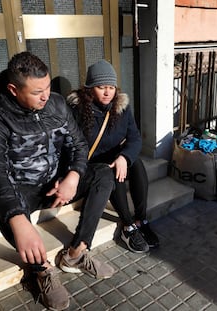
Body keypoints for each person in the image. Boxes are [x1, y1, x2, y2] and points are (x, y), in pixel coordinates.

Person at [0, 52, 116, 311]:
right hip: (23, 190)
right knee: (1, 203)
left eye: (48, 87)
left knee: (103, 174)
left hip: (57, 183)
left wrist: (73, 176)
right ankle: (41, 272)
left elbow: (79, 145)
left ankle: (77, 252)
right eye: (37, 91)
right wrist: (18, 220)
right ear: (13, 89)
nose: (45, 96)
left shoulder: (56, 104)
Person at [66, 59, 159, 254]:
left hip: (115, 156)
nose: (108, 92)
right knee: (111, 170)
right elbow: (71, 147)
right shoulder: (76, 111)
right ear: (90, 88)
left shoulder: (121, 108)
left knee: (137, 164)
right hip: (89, 165)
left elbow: (134, 138)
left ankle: (140, 219)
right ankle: (127, 226)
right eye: (101, 87)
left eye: (111, 87)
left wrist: (125, 157)